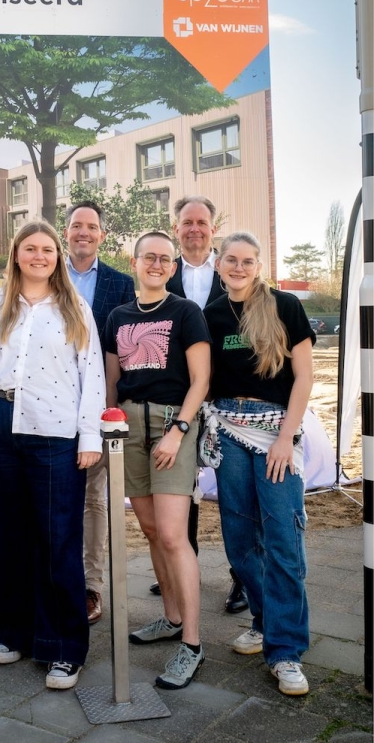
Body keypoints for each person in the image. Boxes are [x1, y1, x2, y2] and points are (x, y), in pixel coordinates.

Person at [0, 220, 106, 690]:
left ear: (57, 257)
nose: (39, 256)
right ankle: (11, 633)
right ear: (16, 254)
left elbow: (92, 373)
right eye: (30, 248)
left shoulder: (74, 307)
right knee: (4, 533)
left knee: (57, 536)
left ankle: (63, 646)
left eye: (47, 249)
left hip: (55, 429)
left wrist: (89, 436)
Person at [202, 231, 314, 697]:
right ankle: (266, 621)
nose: (239, 267)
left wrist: (286, 436)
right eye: (231, 259)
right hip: (228, 431)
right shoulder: (210, 314)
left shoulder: (285, 306)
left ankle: (285, 650)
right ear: (219, 264)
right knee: (240, 538)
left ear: (259, 266)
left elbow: (304, 375)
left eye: (248, 261)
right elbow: (203, 378)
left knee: (282, 536)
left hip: (275, 432)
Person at [105, 231, 210, 690]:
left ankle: (192, 643)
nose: (157, 264)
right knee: (149, 529)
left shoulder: (186, 312)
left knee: (172, 534)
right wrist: (108, 427)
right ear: (134, 262)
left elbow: (200, 380)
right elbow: (112, 381)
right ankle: (170, 618)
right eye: (149, 257)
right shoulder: (118, 316)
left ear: (173, 267)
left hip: (171, 426)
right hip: (128, 428)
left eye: (165, 259)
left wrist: (179, 430)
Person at [165, 195, 248, 615]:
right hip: (177, 397)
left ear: (213, 228)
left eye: (202, 221)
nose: (194, 228)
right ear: (176, 228)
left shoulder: (232, 270)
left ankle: (242, 576)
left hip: (226, 396)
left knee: (235, 492)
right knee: (182, 489)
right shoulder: (163, 269)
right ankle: (187, 571)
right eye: (187, 222)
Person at [63, 201, 135, 624]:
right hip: (51, 405)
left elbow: (124, 350)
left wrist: (113, 406)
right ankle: (59, 579)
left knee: (94, 498)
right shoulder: (47, 275)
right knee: (56, 496)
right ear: (66, 232)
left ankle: (91, 586)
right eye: (77, 225)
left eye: (91, 227)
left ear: (102, 236)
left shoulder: (120, 285)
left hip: (101, 406)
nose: (83, 232)